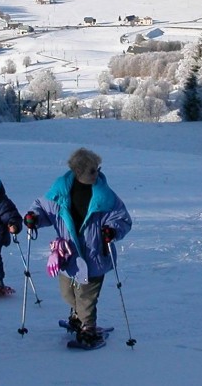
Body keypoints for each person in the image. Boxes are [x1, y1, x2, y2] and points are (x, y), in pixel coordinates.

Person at [24, 147, 132, 349]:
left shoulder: (105, 196)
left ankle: (88, 328)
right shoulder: (59, 192)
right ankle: (77, 315)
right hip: (68, 256)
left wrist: (112, 230)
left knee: (86, 297)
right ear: (78, 171)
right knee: (67, 293)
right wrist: (34, 217)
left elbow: (122, 218)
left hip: (95, 256)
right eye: (92, 170)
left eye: (97, 169)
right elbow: (42, 207)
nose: (96, 173)